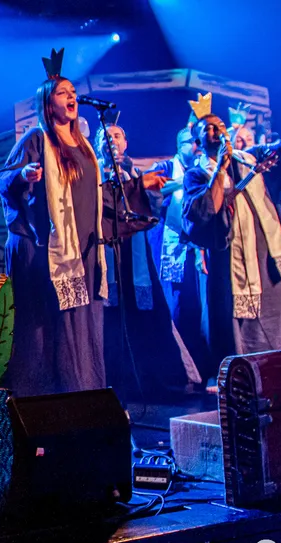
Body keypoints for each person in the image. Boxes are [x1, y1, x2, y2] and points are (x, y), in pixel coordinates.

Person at [0, 50, 164, 398]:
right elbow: (2, 179)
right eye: (62, 93)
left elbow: (98, 197)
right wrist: (24, 175)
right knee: (47, 331)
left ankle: (84, 396)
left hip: (85, 250)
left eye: (73, 92)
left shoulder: (85, 146)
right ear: (48, 103)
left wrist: (137, 186)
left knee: (83, 328)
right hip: (48, 252)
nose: (71, 97)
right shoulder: (37, 139)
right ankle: (46, 402)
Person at [182, 88, 281, 358]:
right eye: (208, 129)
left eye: (220, 126)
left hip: (271, 264)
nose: (217, 132)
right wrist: (220, 170)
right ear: (197, 141)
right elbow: (200, 216)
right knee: (243, 340)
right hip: (232, 270)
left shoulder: (253, 159)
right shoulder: (197, 175)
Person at [94, 123, 198, 397]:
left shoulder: (135, 173)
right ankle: (117, 380)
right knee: (112, 319)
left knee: (147, 314)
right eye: (105, 136)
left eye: (117, 135)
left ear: (126, 143)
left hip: (136, 252)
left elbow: (152, 211)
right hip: (110, 252)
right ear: (97, 145)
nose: (111, 140)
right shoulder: (95, 174)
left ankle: (154, 379)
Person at [152, 126, 214, 380]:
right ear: (179, 146)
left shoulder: (205, 168)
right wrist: (186, 180)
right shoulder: (166, 167)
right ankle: (182, 369)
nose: (196, 146)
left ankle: (206, 367)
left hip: (199, 247)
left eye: (198, 141)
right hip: (172, 245)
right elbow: (150, 191)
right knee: (178, 304)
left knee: (202, 307)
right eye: (191, 142)